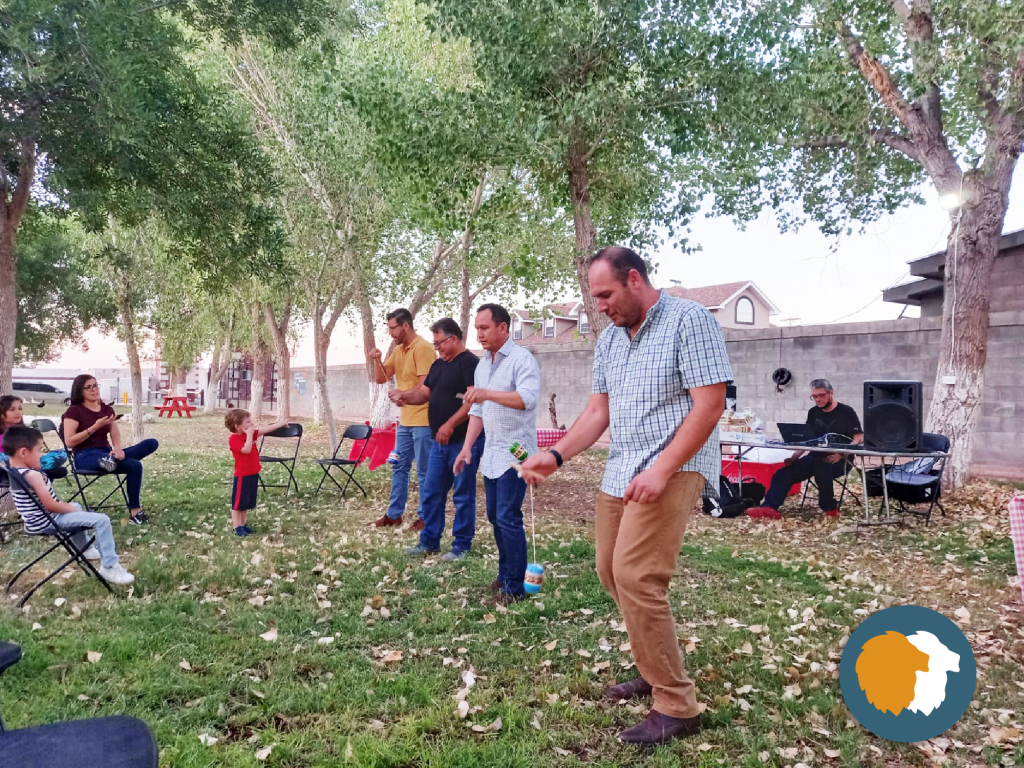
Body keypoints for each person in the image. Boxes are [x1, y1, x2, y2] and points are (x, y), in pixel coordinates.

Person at [519, 247, 732, 745]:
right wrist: (555, 457)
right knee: (609, 570)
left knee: (637, 574)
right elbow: (599, 412)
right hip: (621, 469)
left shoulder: (690, 320)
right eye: (594, 299)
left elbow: (709, 405)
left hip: (673, 465)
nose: (600, 307)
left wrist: (662, 469)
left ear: (634, 279)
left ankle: (676, 703)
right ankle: (653, 666)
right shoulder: (611, 339)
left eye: (605, 295)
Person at [455, 303, 539, 606]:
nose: (479, 334)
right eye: (477, 328)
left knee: (507, 516)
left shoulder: (522, 360)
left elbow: (527, 399)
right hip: (491, 453)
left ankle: (515, 588)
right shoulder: (482, 366)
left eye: (484, 327)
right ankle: (505, 576)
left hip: (517, 452)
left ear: (503, 327)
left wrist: (487, 393)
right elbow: (477, 411)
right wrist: (466, 447)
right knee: (495, 516)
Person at [394, 318, 483, 561]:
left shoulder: (470, 364)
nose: (437, 348)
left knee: (462, 495)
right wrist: (405, 397)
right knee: (432, 492)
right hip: (438, 443)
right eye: (435, 344)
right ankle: (429, 541)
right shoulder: (438, 365)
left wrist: (450, 424)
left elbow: (473, 402)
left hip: (463, 442)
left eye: (439, 343)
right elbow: (424, 393)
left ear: (453, 339)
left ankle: (461, 546)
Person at [4, 425, 134, 584]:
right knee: (102, 520)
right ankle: (110, 567)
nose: (40, 456)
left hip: (33, 521)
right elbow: (50, 506)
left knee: (77, 506)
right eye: (38, 451)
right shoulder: (32, 475)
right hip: (47, 521)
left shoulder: (12, 470)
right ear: (23, 452)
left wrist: (69, 507)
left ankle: (84, 549)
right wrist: (67, 508)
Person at [747, 379, 863, 520]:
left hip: (841, 459)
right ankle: (769, 508)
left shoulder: (846, 412)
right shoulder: (813, 412)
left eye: (821, 395)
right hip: (815, 457)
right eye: (814, 396)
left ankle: (830, 509)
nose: (818, 399)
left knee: (822, 468)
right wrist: (794, 457)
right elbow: (807, 439)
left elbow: (858, 438)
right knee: (782, 473)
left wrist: (841, 453)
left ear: (831, 393)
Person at [368, 308, 437, 530]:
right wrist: (377, 359)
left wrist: (403, 395)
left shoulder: (423, 348)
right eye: (389, 329)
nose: (391, 333)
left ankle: (426, 517)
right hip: (405, 421)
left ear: (405, 325)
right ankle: (394, 515)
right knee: (398, 466)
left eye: (393, 328)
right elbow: (381, 378)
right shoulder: (399, 350)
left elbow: (426, 385)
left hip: (424, 419)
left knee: (424, 471)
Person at [62, 375, 159, 525]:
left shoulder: (107, 409)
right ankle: (110, 461)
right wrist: (95, 427)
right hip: (85, 456)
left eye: (95, 385)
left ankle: (135, 513)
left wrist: (118, 449)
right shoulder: (74, 411)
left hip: (106, 452)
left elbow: (114, 433)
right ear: (80, 391)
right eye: (89, 387)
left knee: (149, 446)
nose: (94, 390)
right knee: (110, 460)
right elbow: (69, 441)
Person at [224, 408, 290, 537]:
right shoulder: (234, 439)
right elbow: (247, 450)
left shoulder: (250, 434)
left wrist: (280, 423)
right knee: (238, 504)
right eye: (248, 422)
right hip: (242, 475)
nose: (252, 423)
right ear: (238, 426)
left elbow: (265, 429)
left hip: (252, 473)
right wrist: (249, 435)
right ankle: (237, 527)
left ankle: (243, 525)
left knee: (245, 503)